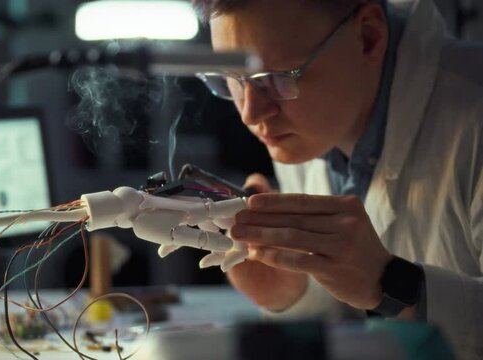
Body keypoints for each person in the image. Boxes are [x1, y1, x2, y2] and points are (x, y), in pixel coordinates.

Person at [192, 0, 483, 359]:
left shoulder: (473, 116)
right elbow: (358, 334)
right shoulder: (307, 126)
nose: (251, 113)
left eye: (278, 78)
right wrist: (292, 297)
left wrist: (392, 285)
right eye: (232, 78)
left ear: (368, 37)